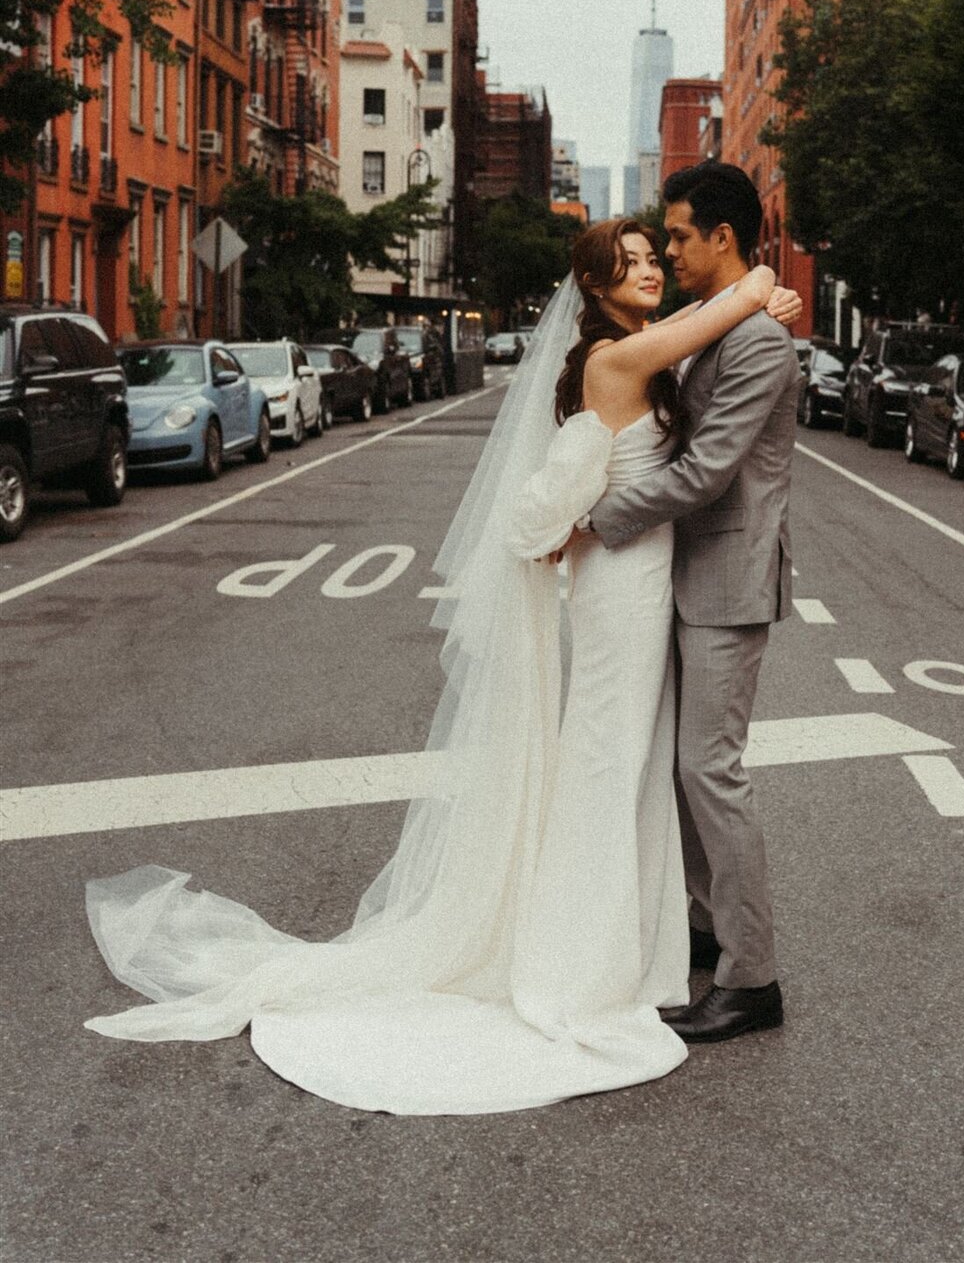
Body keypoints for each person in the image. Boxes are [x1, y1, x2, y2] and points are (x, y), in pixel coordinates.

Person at [81, 212, 799, 1116]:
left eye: (656, 257)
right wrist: (756, 286)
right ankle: (580, 961)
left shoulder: (636, 350)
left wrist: (749, 302)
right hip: (623, 583)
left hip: (644, 579)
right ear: (592, 283)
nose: (652, 270)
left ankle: (634, 940)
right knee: (607, 760)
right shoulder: (619, 360)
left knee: (633, 763)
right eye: (632, 261)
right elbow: (708, 324)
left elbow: (697, 355)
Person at [584, 163, 801, 1043]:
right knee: (681, 768)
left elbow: (710, 468)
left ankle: (755, 979)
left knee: (711, 771)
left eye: (677, 235)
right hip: (682, 574)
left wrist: (600, 516)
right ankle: (707, 926)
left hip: (727, 581)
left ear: (722, 236)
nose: (668, 249)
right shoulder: (722, 324)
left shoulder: (757, 345)